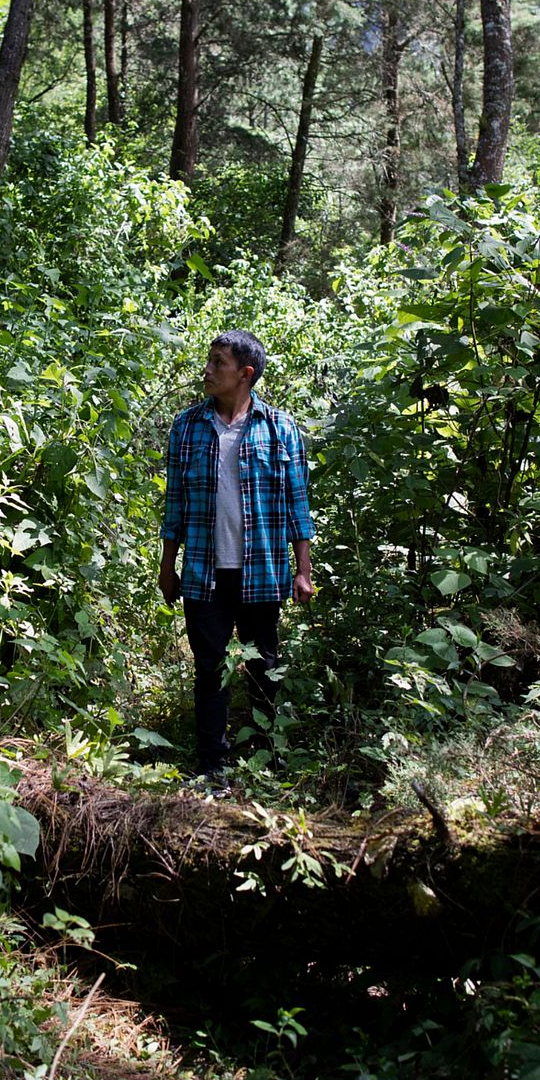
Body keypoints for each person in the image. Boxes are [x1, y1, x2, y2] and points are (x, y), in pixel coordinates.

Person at [159, 330, 315, 788]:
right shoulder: (187, 426)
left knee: (264, 665)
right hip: (205, 572)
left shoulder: (278, 427)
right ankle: (212, 766)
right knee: (209, 668)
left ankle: (268, 758)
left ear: (245, 374)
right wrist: (168, 568)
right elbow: (175, 505)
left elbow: (297, 505)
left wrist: (303, 571)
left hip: (262, 572)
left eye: (217, 363)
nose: (207, 370)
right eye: (209, 360)